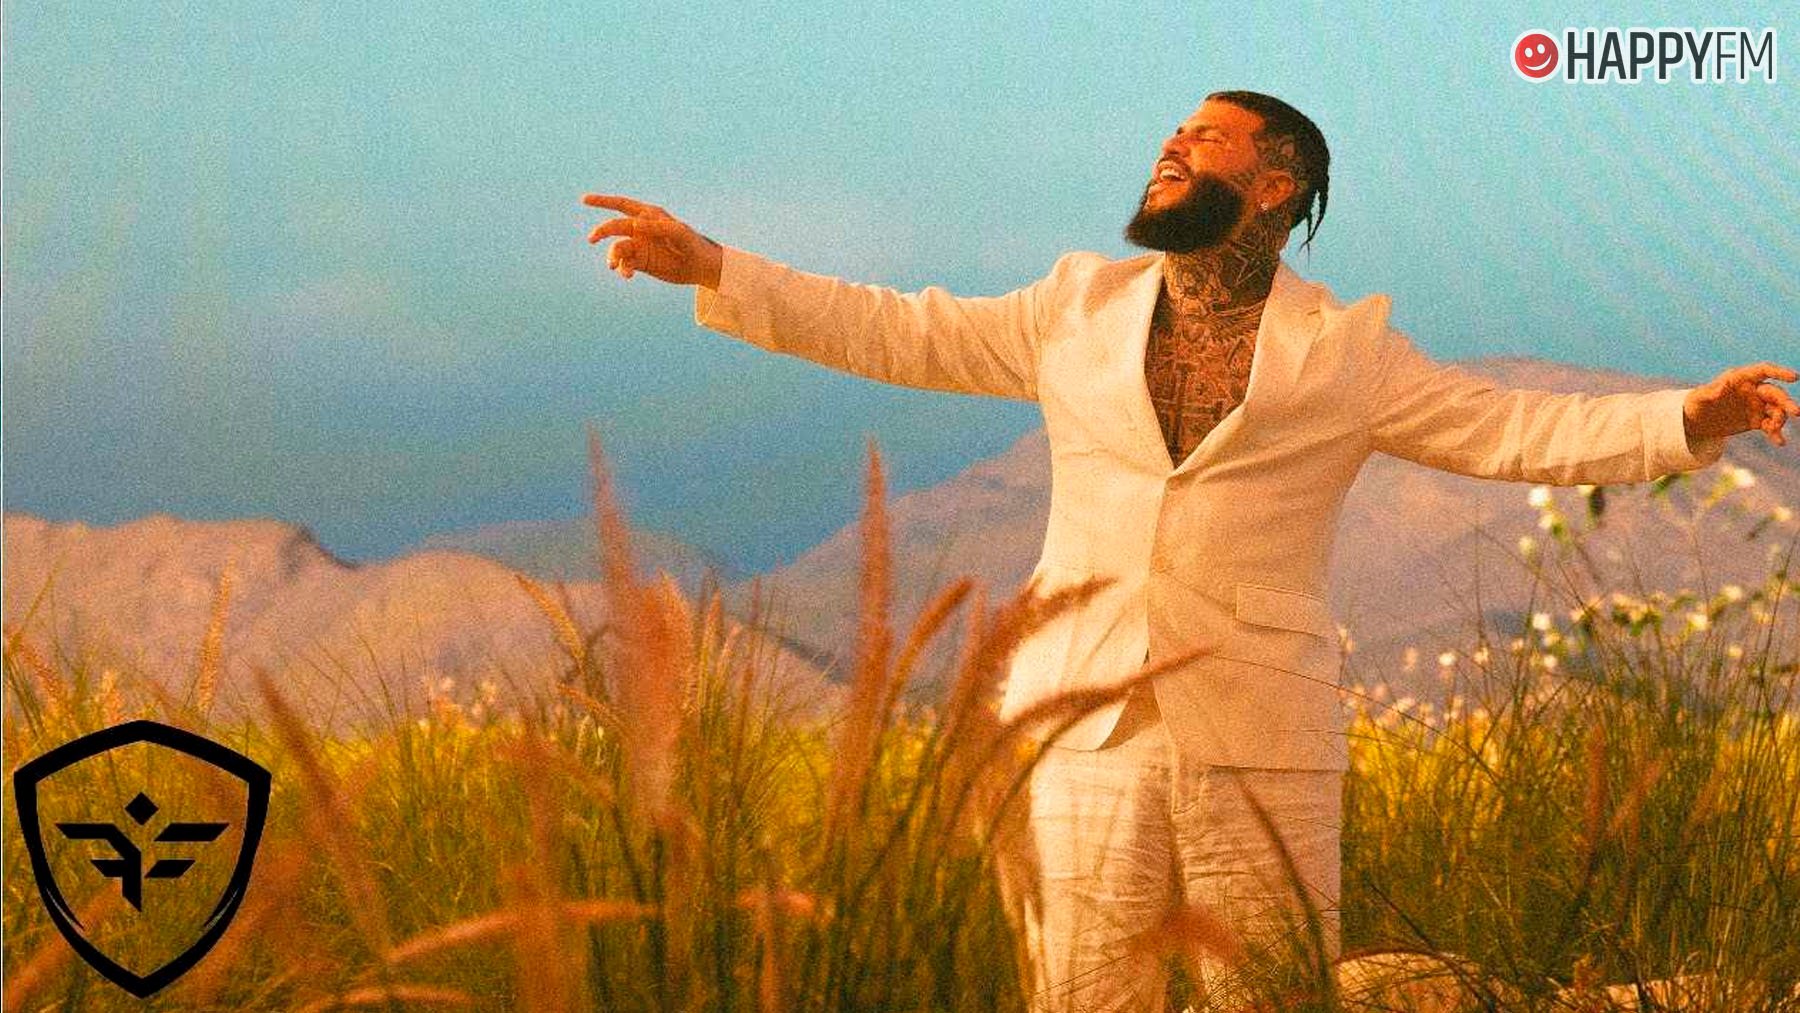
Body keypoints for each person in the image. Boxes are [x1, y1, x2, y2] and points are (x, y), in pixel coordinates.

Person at [581, 90, 1799, 1011]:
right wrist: (720, 268)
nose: (1172, 146)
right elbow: (899, 328)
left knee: (1268, 993)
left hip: (1263, 731)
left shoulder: (1349, 352)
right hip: (1082, 724)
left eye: (1205, 138)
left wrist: (1685, 418)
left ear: (1275, 184)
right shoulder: (1073, 308)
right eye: (1172, 134)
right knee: (1082, 993)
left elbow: (1512, 427)